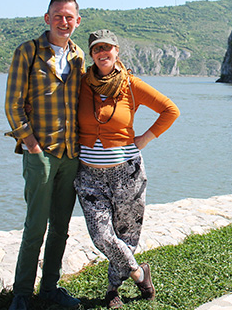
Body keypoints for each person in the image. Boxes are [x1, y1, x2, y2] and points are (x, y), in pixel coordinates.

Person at [75, 29, 179, 308]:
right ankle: (138, 272)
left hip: (127, 173)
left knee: (126, 234)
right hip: (88, 176)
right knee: (101, 235)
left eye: (107, 47)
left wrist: (144, 139)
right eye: (97, 49)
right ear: (92, 53)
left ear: (117, 51)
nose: (102, 52)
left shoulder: (131, 85)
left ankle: (112, 290)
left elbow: (170, 110)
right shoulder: (81, 83)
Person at [4, 0, 85, 310]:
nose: (63, 22)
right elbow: (13, 105)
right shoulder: (28, 51)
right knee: (35, 225)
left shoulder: (79, 57)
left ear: (77, 21)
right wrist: (32, 145)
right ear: (47, 18)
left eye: (69, 17)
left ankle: (50, 287)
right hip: (41, 154)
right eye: (58, 15)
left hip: (71, 154)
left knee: (61, 227)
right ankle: (22, 293)